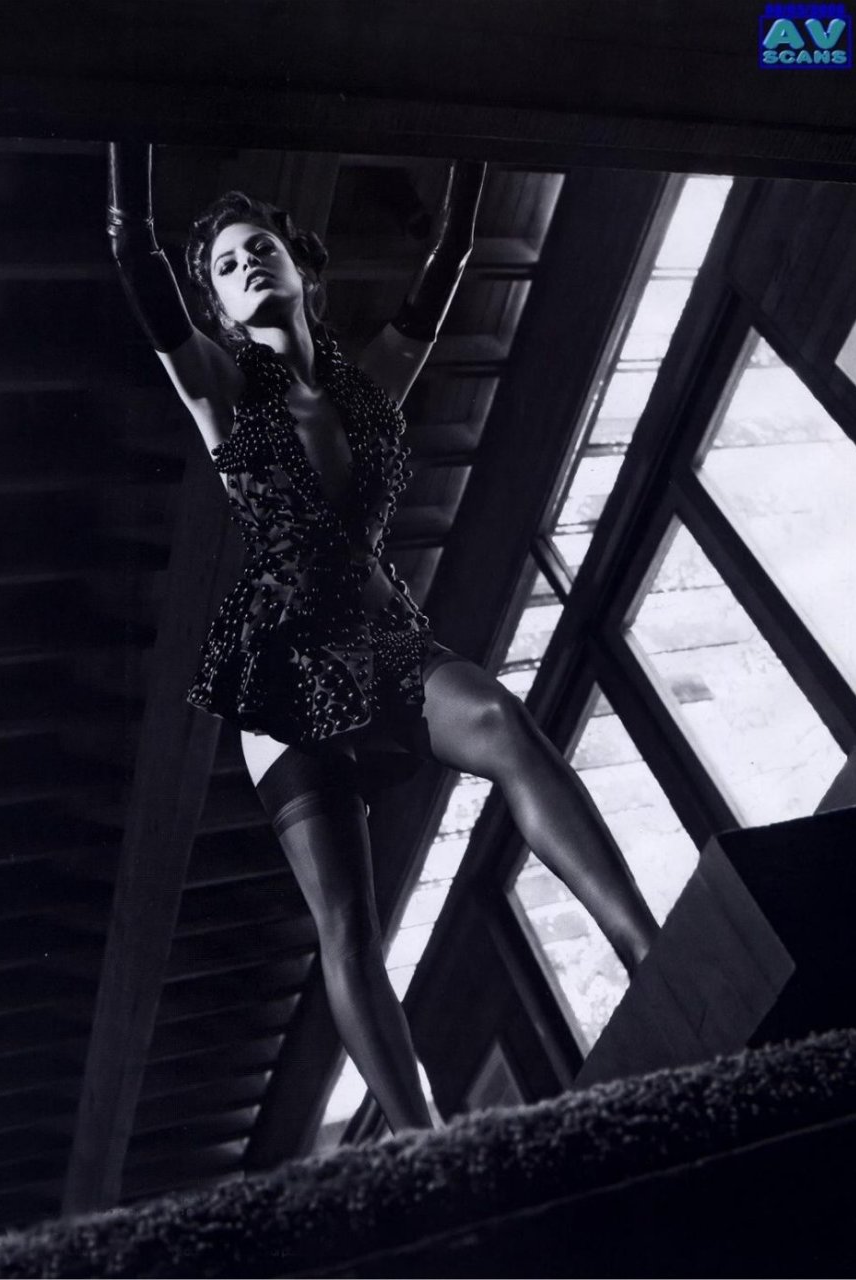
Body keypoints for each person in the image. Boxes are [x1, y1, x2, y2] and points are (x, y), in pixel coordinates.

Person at [107, 143, 659, 1134]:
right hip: (282, 672)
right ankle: (421, 1141)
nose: (247, 265)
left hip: (385, 638)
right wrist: (125, 132)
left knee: (500, 720)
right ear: (218, 309)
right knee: (349, 928)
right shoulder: (217, 389)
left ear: (299, 265)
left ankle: (648, 956)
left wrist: (479, 151)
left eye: (261, 247)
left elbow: (449, 260)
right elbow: (134, 251)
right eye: (226, 266)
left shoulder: (367, 389)